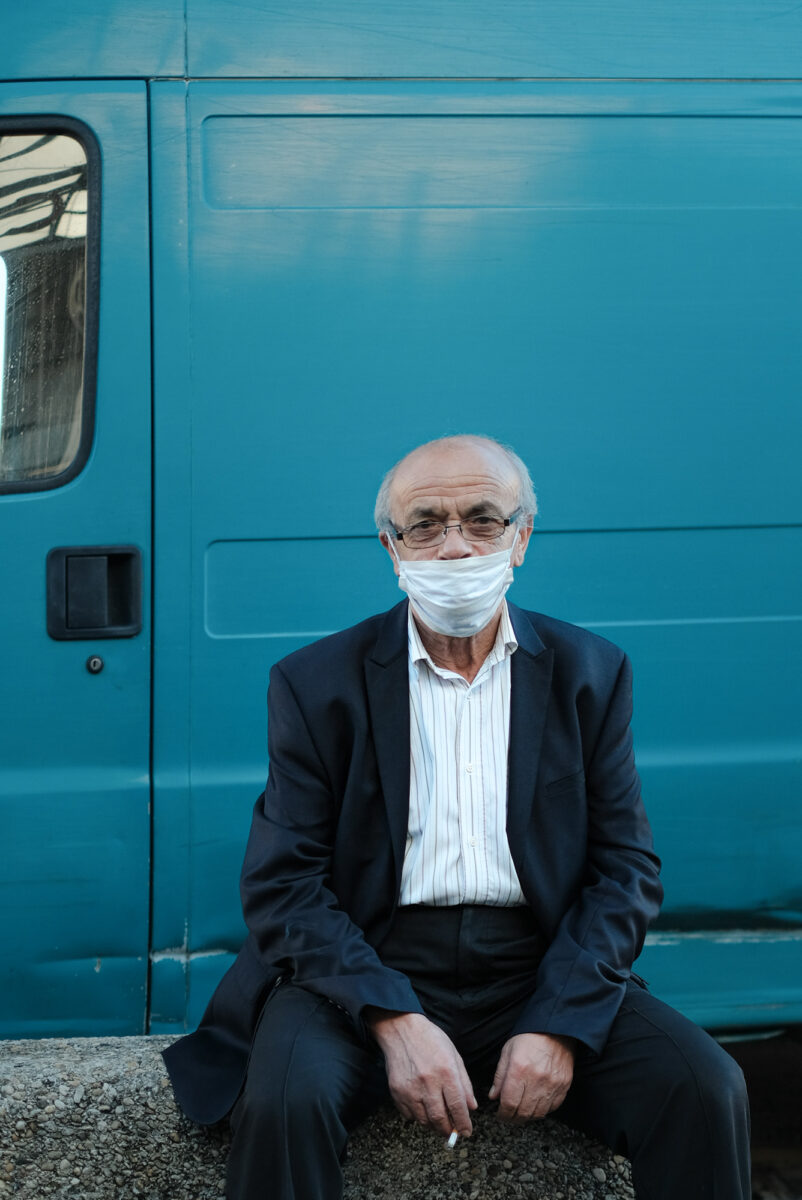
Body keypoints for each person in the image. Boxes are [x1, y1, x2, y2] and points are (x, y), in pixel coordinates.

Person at [164, 435, 751, 1200]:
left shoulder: (590, 673)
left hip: (537, 965)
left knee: (707, 1089)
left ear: (522, 537)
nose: (453, 547)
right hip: (364, 963)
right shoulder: (315, 684)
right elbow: (284, 886)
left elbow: (625, 870)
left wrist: (560, 1022)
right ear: (390, 546)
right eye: (425, 524)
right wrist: (392, 1019)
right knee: (282, 1102)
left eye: (481, 520)